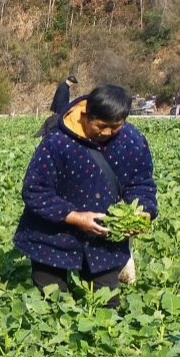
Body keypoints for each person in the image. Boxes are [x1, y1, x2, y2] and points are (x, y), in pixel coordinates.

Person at [14, 85, 157, 301]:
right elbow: (35, 190)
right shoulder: (57, 142)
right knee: (51, 305)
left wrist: (143, 211)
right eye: (101, 126)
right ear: (85, 115)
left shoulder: (132, 141)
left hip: (104, 243)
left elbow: (141, 183)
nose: (107, 132)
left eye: (115, 127)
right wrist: (75, 217)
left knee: (106, 308)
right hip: (52, 239)